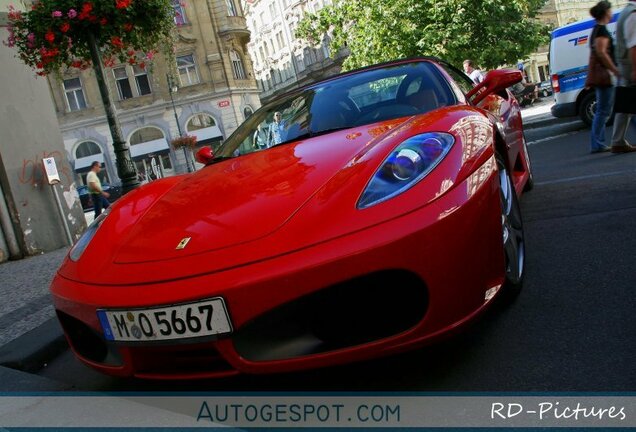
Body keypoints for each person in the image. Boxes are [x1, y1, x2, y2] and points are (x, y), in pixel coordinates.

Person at [587, 1, 621, 154]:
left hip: (603, 76)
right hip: (606, 76)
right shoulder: (601, 31)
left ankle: (598, 142)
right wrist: (614, 70)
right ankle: (598, 143)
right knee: (603, 111)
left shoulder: (596, 29)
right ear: (606, 12)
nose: (611, 12)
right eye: (610, 10)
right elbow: (601, 52)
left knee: (604, 109)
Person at [610, 0, 636, 153]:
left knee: (625, 104)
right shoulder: (632, 13)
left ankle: (617, 141)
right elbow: (634, 46)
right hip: (630, 64)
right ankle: (617, 141)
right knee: (627, 102)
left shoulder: (625, 13)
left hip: (625, 64)